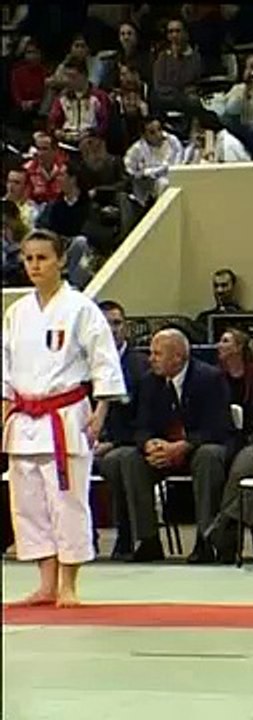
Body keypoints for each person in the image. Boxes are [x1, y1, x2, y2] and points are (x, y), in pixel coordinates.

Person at [2, 228, 127, 606]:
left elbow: (103, 360)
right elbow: (5, 368)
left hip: (66, 415)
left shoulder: (81, 308)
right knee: (29, 504)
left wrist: (101, 411)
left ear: (60, 260)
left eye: (42, 258)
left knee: (67, 501)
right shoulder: (17, 312)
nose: (35, 265)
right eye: (28, 259)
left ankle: (69, 584)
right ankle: (45, 582)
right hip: (25, 419)